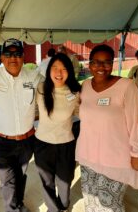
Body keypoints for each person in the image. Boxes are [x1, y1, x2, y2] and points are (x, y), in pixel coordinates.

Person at [76, 44, 138, 212]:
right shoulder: (85, 86)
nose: (101, 67)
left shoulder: (126, 86)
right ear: (89, 64)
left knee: (109, 205)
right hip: (88, 155)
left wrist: (137, 153)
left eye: (107, 62)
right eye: (96, 62)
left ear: (113, 64)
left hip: (115, 159)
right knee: (90, 200)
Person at [0, 38, 43, 212]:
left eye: (17, 54)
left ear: (23, 57)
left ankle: (19, 204)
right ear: (2, 58)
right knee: (7, 182)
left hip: (28, 140)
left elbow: (52, 87)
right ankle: (12, 209)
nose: (13, 58)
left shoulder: (33, 76)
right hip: (4, 142)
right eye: (8, 54)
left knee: (21, 175)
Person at [34, 53, 81, 212]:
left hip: (66, 144)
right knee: (46, 181)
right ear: (48, 71)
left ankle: (64, 206)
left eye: (63, 69)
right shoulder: (40, 88)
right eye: (55, 68)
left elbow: (81, 113)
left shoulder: (75, 92)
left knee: (65, 181)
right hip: (42, 143)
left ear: (70, 71)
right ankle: (53, 209)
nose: (59, 73)